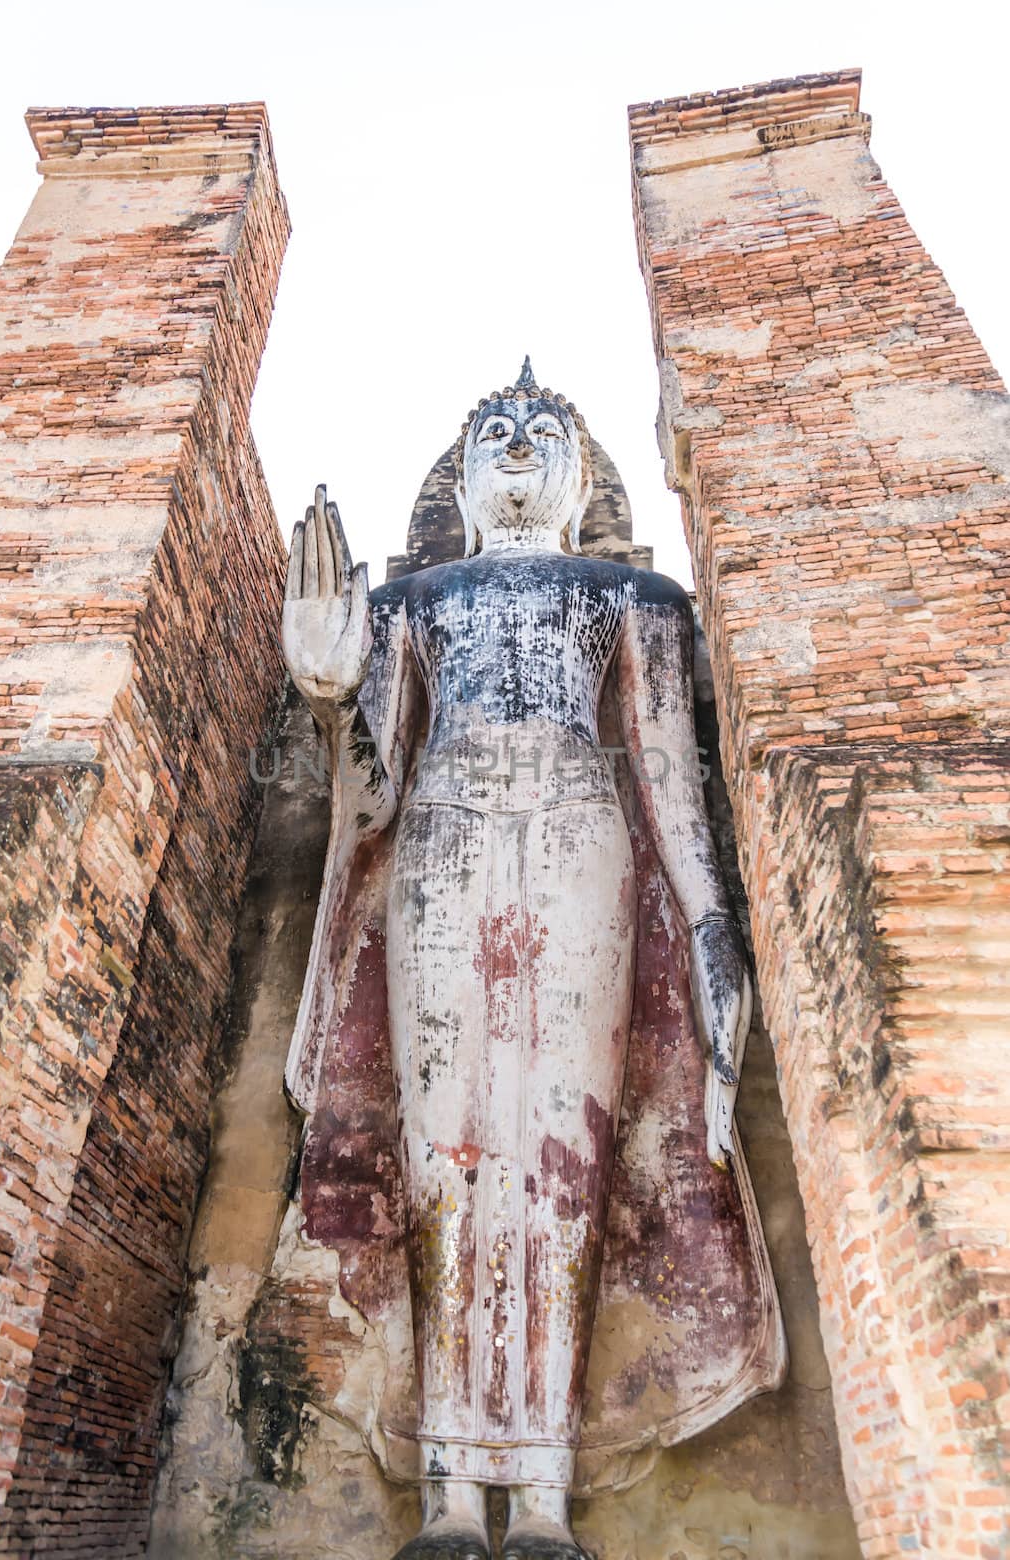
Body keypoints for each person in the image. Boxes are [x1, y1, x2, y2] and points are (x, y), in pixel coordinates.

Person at [281, 363, 752, 1560]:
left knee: (562, 1151)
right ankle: (447, 1490)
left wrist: (710, 933)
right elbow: (372, 798)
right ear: (463, 472)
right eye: (495, 430)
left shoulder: (628, 594)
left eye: (543, 432)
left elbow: (668, 778)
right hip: (441, 835)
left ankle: (541, 1494)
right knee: (445, 1148)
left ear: (579, 471)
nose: (518, 444)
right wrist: (336, 698)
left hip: (582, 840)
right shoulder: (414, 606)